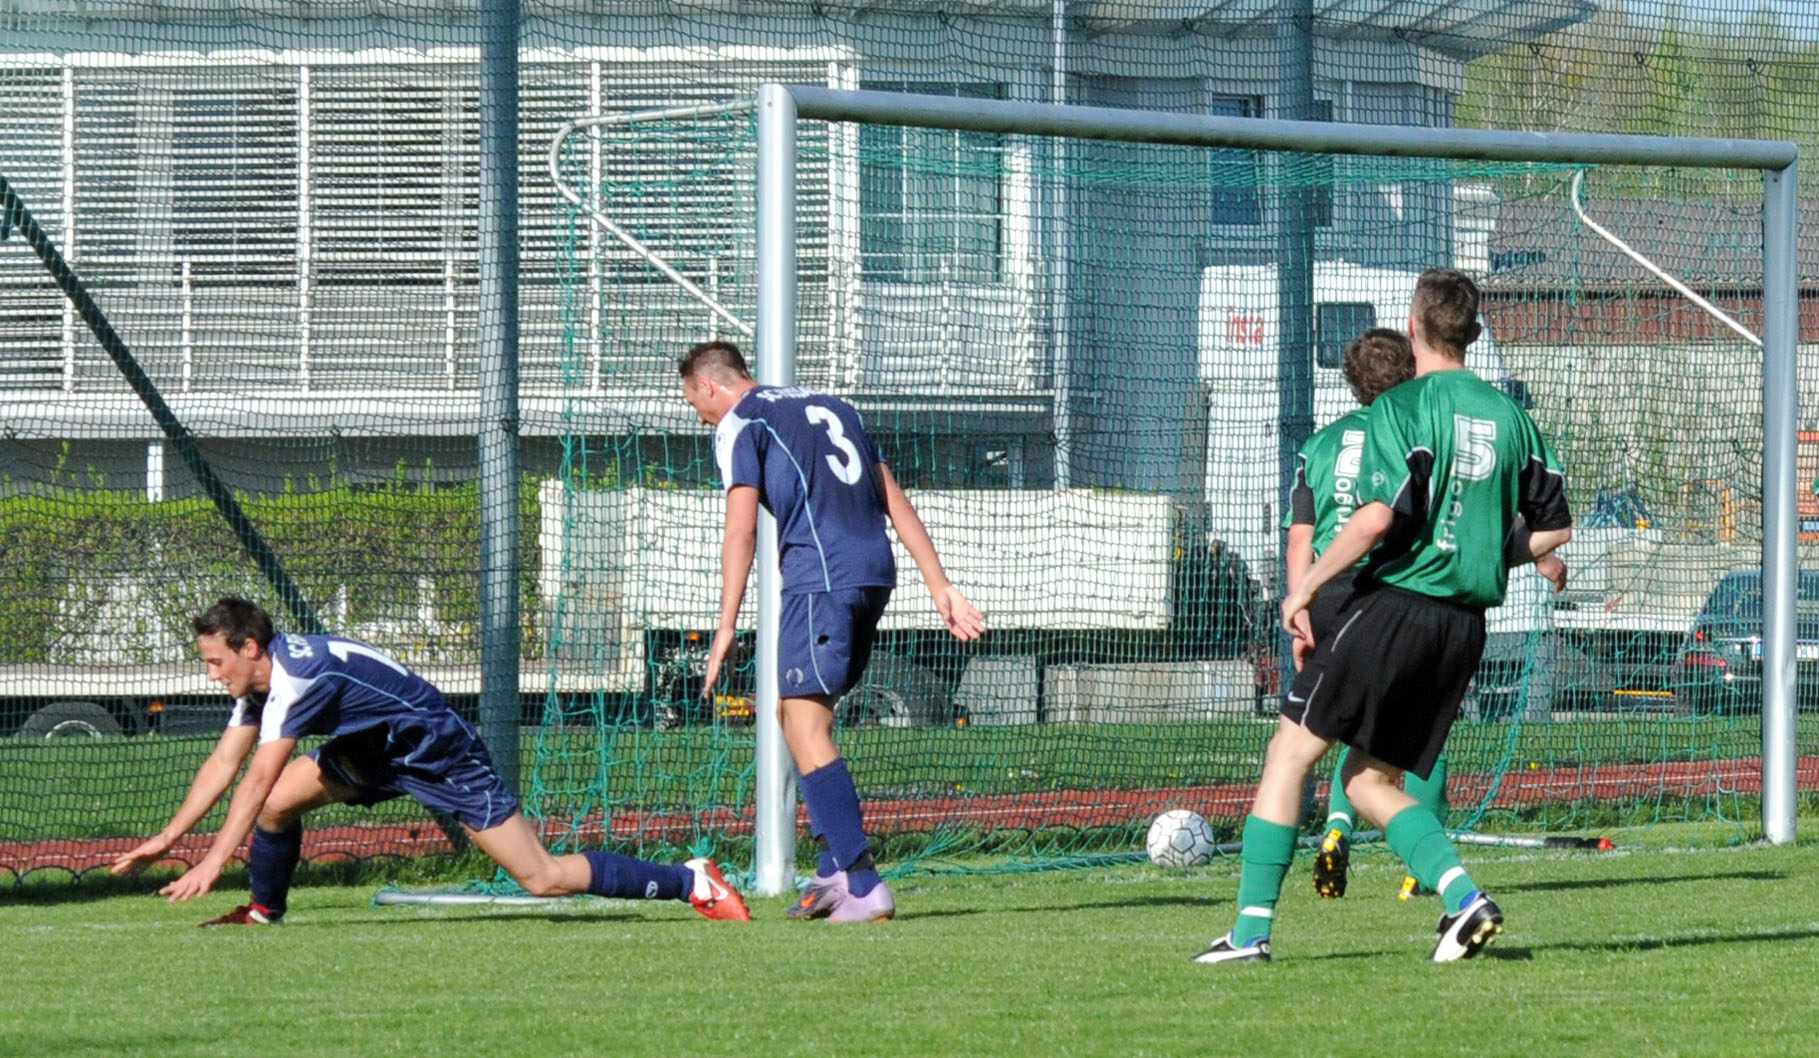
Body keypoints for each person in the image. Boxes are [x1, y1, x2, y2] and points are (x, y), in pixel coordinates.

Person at [1195, 268, 1572, 965]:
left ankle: (1249, 933)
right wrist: (1487, 552)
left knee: (1289, 755)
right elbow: (1554, 529)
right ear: (1475, 331)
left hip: (1396, 609)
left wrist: (1303, 589)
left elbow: (1373, 518)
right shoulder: (1511, 417)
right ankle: (1464, 899)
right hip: (1462, 629)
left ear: (1413, 325)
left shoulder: (1404, 406)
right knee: (1367, 781)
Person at [110, 596, 751, 926]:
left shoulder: (297, 678)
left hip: (437, 750)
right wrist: (168, 838)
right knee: (279, 808)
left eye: (215, 660)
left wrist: (213, 860)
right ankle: (263, 911)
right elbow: (223, 764)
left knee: (542, 877)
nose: (211, 673)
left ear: (250, 647)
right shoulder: (260, 680)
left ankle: (691, 880)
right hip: (375, 751)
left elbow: (255, 776)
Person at [679, 340, 985, 924]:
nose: (700, 418)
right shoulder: (834, 405)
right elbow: (892, 497)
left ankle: (864, 884)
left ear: (712, 386)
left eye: (696, 404)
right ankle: (830, 873)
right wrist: (939, 584)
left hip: (820, 580)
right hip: (874, 574)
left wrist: (725, 626)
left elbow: (741, 530)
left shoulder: (743, 421)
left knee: (806, 724)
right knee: (792, 714)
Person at [1286, 329, 1567, 900]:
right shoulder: (1416, 422)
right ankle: (1424, 859)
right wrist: (1533, 554)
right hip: (1393, 588)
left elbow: (1301, 536)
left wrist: (1302, 600)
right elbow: (1447, 511)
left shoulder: (1322, 443)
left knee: (1328, 731)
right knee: (1409, 732)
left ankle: (1332, 831)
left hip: (1332, 589)